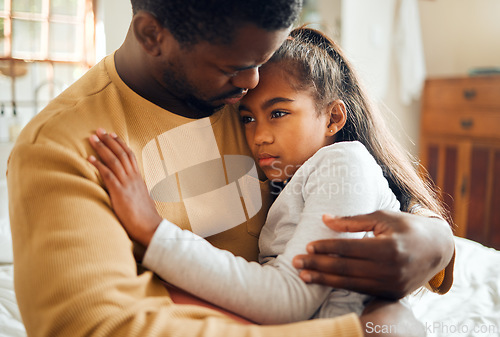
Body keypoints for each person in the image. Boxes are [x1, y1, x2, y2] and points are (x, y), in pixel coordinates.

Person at [6, 1, 454, 336]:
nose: (252, 83)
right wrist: (365, 328)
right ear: (151, 35)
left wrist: (436, 240)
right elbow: (101, 327)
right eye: (235, 68)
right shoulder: (60, 151)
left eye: (262, 61)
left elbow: (360, 179)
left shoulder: (253, 95)